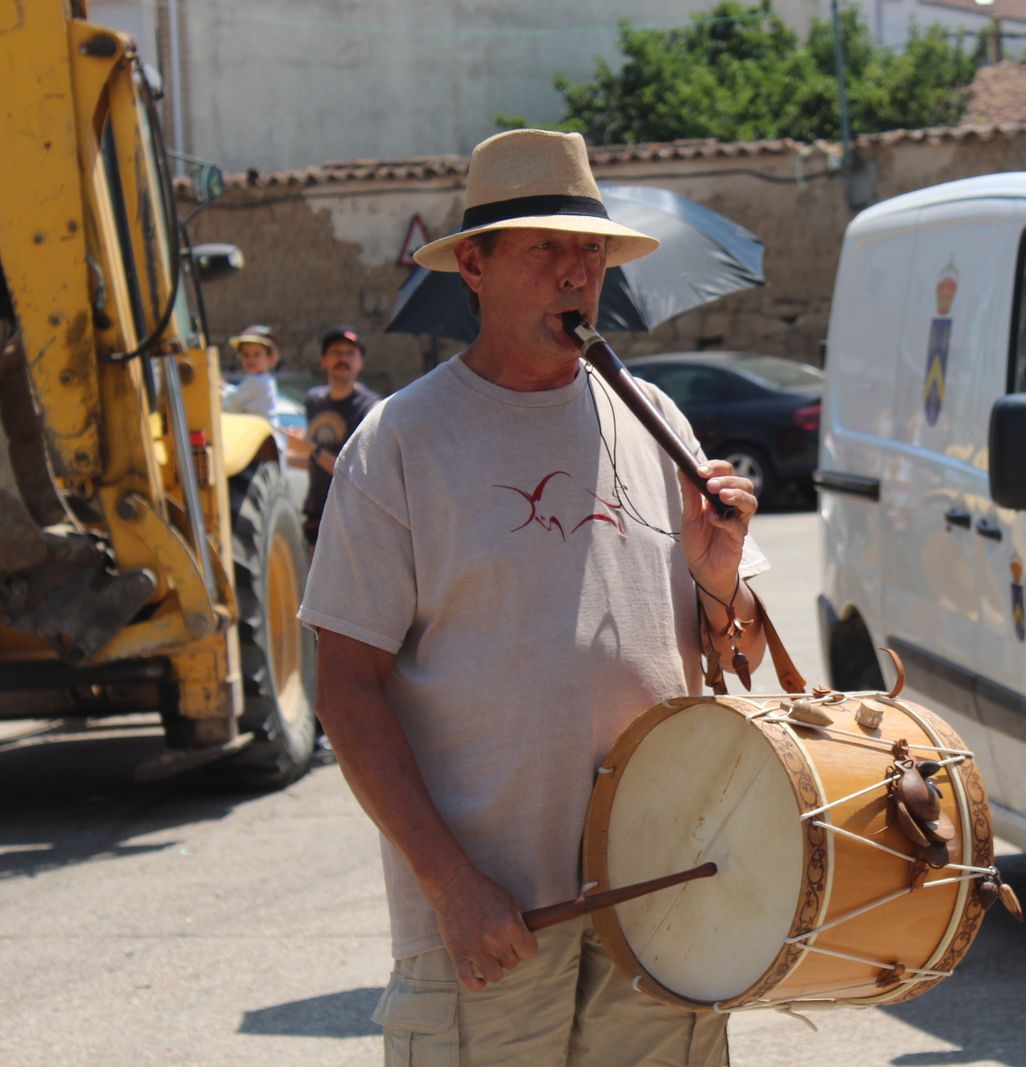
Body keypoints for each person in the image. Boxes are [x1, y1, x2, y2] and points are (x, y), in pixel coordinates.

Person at [297, 128, 766, 1066]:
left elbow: (736, 651)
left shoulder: (657, 420)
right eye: (544, 247)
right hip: (493, 917)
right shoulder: (401, 441)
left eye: (589, 251)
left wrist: (719, 582)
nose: (575, 274)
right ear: (472, 264)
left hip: (663, 894)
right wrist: (449, 884)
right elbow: (345, 686)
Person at [296, 325, 380, 545]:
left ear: (361, 362)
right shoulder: (314, 401)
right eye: (336, 352)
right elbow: (312, 462)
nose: (343, 359)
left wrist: (311, 449)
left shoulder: (370, 409)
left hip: (353, 523)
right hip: (317, 519)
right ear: (323, 360)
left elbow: (356, 474)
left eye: (350, 353)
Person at [222, 324, 282, 422]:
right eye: (246, 355)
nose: (251, 359)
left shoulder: (257, 381)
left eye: (257, 354)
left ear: (269, 357)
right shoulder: (262, 379)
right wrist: (226, 388)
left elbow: (230, 405)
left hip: (262, 434)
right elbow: (240, 393)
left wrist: (219, 393)